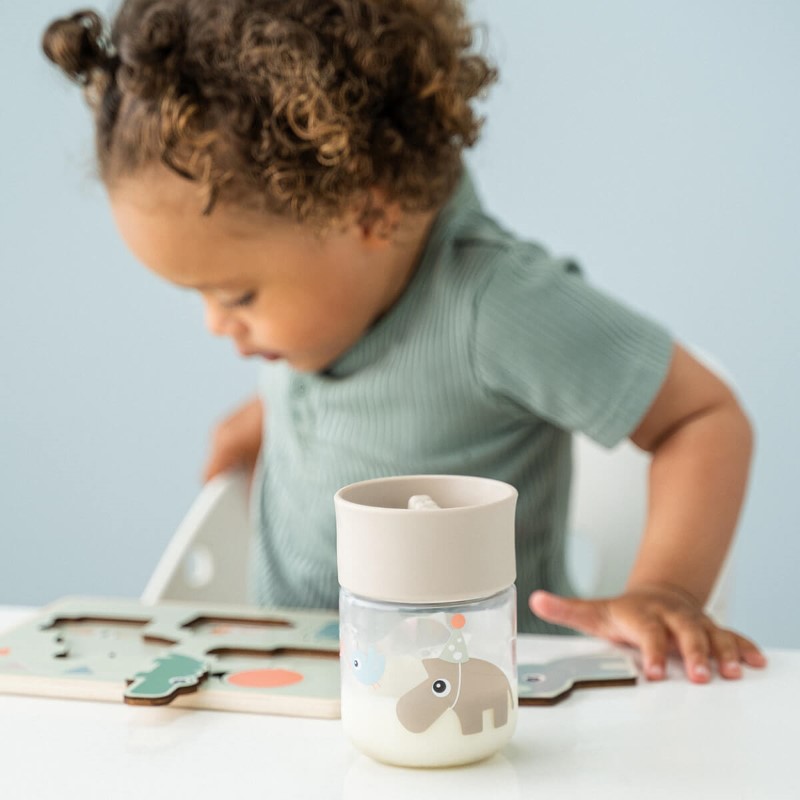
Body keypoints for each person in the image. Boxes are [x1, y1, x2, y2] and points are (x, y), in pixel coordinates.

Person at [42, 0, 766, 683]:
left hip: (477, 697)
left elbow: (701, 417)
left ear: (369, 213)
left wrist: (667, 590)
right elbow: (384, 394)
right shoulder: (327, 311)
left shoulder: (493, 307)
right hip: (311, 687)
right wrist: (277, 417)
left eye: (237, 296)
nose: (215, 323)